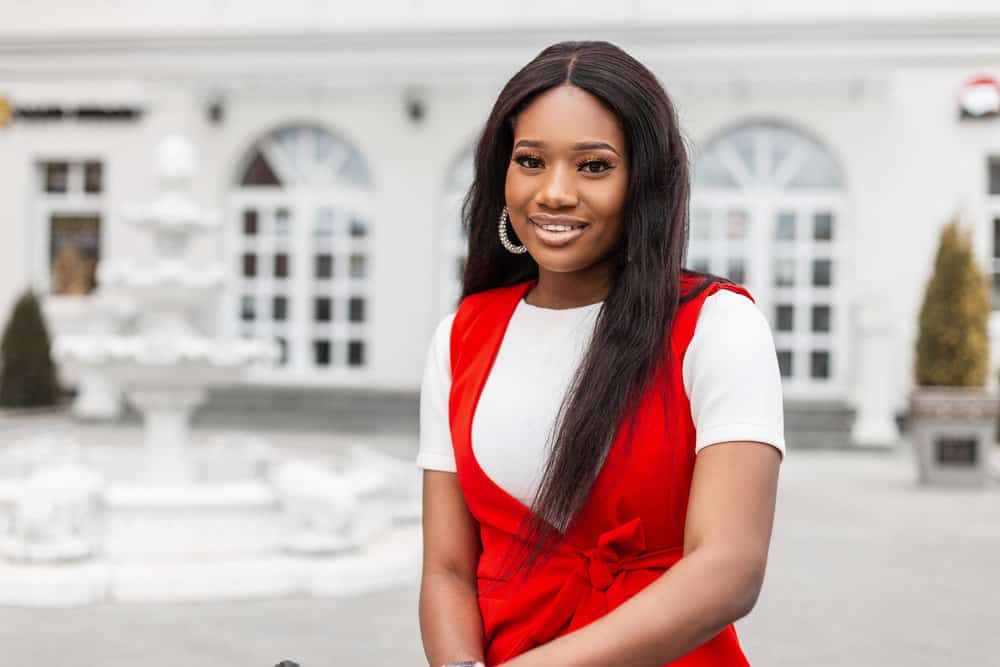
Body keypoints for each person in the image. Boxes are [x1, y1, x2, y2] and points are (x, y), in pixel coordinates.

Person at [417, 40, 784, 667]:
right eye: (530, 161)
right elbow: (448, 570)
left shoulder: (717, 325)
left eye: (593, 166)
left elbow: (730, 567)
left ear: (644, 182)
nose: (554, 193)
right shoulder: (462, 336)